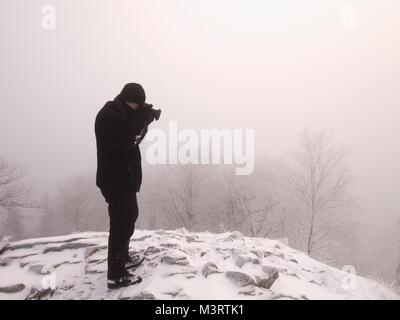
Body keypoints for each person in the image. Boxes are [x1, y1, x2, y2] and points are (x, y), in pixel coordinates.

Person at [95, 83, 156, 289]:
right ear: (126, 99)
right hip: (115, 181)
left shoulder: (123, 112)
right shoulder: (108, 116)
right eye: (136, 104)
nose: (138, 109)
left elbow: (134, 137)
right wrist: (143, 119)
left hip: (125, 179)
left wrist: (145, 119)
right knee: (120, 225)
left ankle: (123, 257)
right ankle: (116, 274)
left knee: (130, 217)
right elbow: (126, 140)